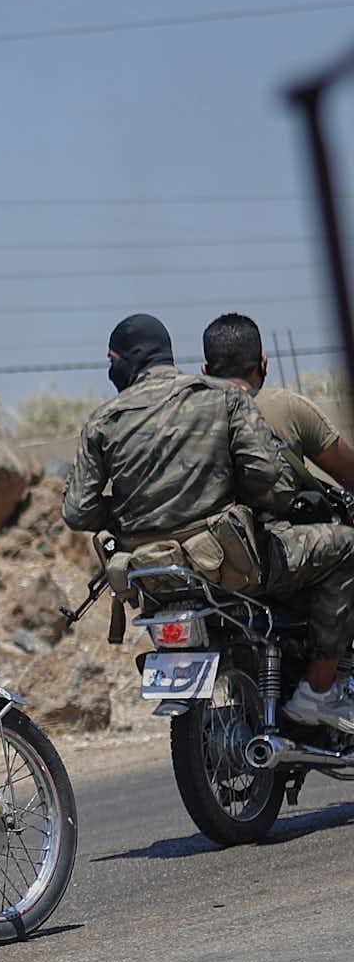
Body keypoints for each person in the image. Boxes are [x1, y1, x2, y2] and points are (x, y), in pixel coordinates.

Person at [62, 312, 354, 734]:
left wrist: (129, 514)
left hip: (153, 573)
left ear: (128, 359)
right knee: (346, 545)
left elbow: (77, 511)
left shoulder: (103, 420)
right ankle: (318, 691)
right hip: (231, 562)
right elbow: (267, 481)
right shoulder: (220, 398)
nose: (110, 369)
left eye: (111, 359)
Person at [200, 311, 354, 493]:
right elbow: (348, 473)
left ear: (205, 371)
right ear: (263, 363)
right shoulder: (288, 407)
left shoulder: (191, 419)